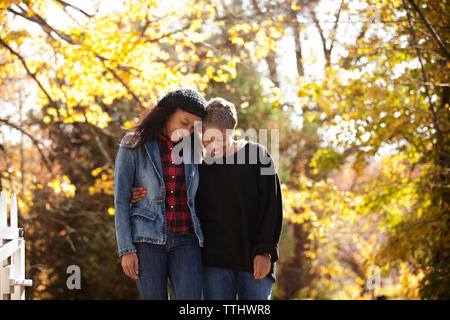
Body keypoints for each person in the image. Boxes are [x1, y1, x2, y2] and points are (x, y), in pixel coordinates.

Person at [131, 97, 283, 300]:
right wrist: (141, 193)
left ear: (230, 132)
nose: (208, 145)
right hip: (213, 263)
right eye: (204, 138)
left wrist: (265, 252)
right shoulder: (198, 164)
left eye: (214, 138)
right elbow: (175, 192)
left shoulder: (258, 156)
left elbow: (272, 208)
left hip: (254, 259)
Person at [114, 87, 207, 300]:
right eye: (184, 123)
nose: (188, 130)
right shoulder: (133, 144)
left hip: (187, 239)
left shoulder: (195, 150)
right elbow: (120, 200)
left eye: (194, 127)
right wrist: (126, 249)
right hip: (146, 239)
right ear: (167, 113)